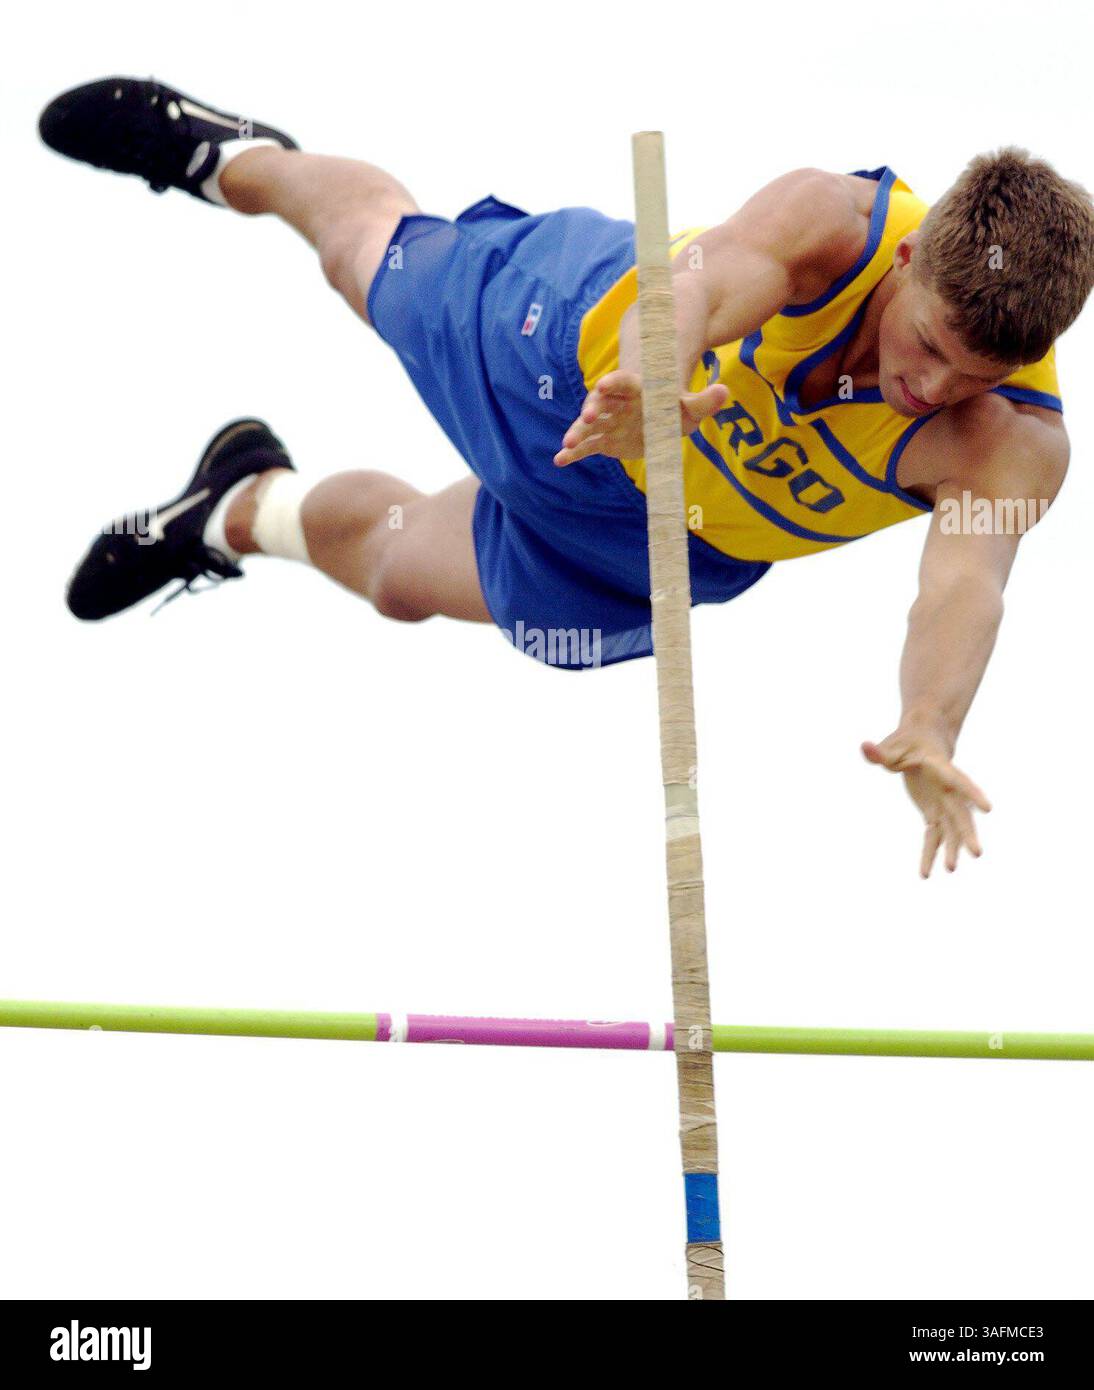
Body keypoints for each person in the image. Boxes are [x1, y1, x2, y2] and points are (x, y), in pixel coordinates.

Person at [38, 77, 1093, 875]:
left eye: (975, 371)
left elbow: (964, 581)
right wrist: (643, 384)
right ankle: (233, 161)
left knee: (399, 575)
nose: (930, 384)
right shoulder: (830, 223)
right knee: (368, 261)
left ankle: (233, 503)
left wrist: (927, 722)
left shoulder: (1013, 444)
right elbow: (692, 291)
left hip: (660, 543)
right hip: (566, 364)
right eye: (931, 343)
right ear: (908, 268)